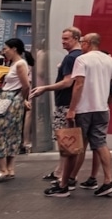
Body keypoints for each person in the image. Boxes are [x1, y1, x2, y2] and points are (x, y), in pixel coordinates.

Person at [46, 32, 112, 197]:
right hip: (101, 108)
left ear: (88, 43)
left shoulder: (82, 60)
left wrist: (72, 109)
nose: (81, 45)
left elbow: (78, 85)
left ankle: (64, 185)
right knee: (100, 143)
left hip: (84, 109)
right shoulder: (108, 60)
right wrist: (102, 78)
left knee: (73, 147)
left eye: (82, 42)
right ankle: (108, 181)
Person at [30, 27, 83, 183]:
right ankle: (61, 171)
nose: (63, 42)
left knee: (66, 141)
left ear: (76, 38)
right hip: (70, 103)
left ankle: (65, 175)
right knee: (68, 141)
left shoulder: (71, 58)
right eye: (62, 38)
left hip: (66, 103)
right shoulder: (79, 56)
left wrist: (44, 88)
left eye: (66, 39)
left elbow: (67, 82)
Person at [0, 38, 34, 183]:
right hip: (11, 99)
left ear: (14, 49)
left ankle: (2, 169)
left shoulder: (20, 64)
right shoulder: (14, 63)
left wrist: (22, 99)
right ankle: (9, 168)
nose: (4, 51)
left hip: (10, 99)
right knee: (11, 133)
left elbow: (26, 85)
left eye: (6, 48)